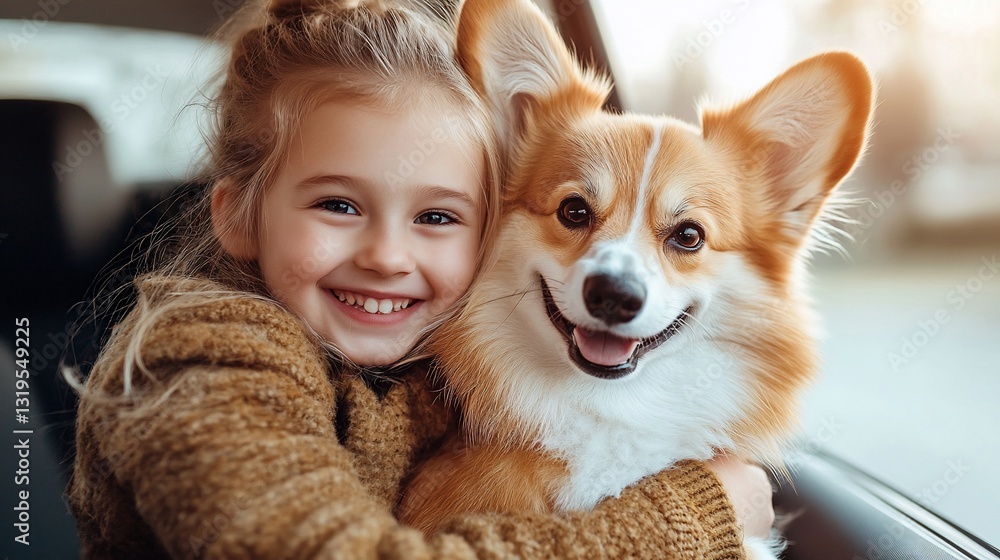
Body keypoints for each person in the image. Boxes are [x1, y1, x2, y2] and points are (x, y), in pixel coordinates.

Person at [66, 0, 773, 558]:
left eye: (437, 216)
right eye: (338, 205)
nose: (387, 255)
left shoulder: (428, 369)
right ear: (240, 217)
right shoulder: (199, 359)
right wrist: (690, 517)